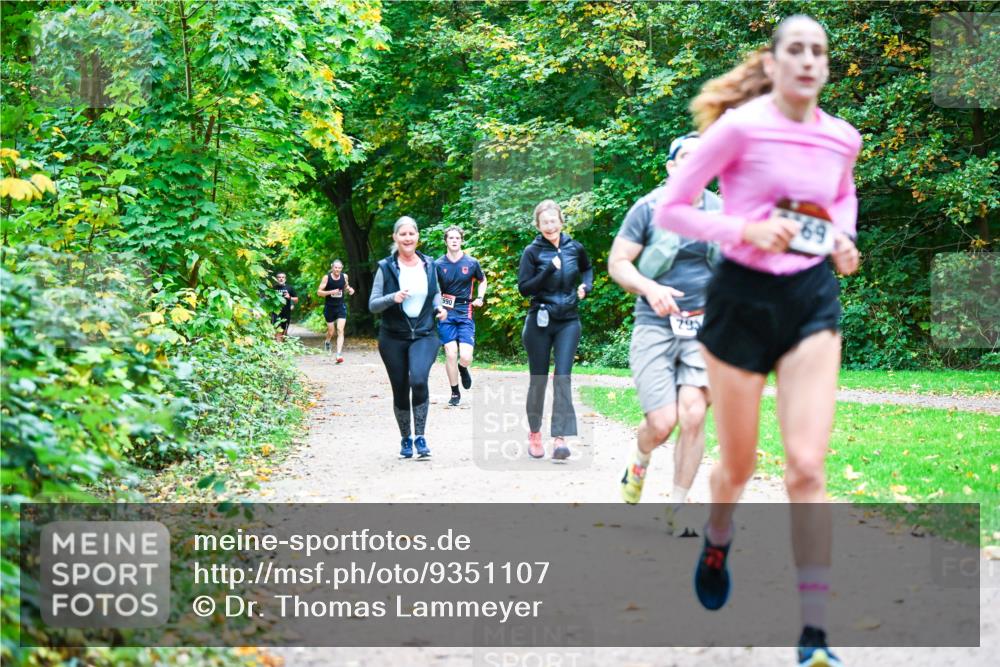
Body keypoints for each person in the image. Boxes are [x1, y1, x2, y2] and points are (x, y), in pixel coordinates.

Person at [653, 15, 861, 667]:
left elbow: (842, 195)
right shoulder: (739, 128)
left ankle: (815, 632)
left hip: (808, 302)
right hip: (740, 300)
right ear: (772, 64)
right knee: (738, 466)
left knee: (806, 465)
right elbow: (673, 208)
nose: (807, 60)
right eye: (794, 50)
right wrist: (741, 228)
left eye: (818, 51)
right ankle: (719, 534)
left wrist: (842, 238)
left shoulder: (842, 138)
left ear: (827, 66)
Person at [609, 132, 721, 535]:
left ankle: (679, 506)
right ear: (672, 167)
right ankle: (640, 458)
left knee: (693, 414)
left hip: (704, 327)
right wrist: (650, 288)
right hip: (655, 323)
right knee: (662, 422)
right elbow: (618, 263)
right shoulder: (648, 209)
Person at [517, 200, 593, 461]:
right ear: (538, 226)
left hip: (568, 321)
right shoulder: (532, 252)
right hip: (539, 320)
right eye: (545, 222)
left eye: (553, 221)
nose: (550, 226)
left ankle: (560, 439)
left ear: (561, 221)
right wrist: (549, 269)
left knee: (563, 377)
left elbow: (587, 269)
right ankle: (535, 433)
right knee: (538, 380)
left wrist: (586, 286)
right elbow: (525, 288)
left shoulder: (575, 247)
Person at [369, 216, 448, 459]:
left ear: (417, 237)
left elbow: (435, 294)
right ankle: (406, 439)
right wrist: (393, 297)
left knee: (419, 380)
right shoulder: (385, 267)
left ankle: (421, 437)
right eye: (402, 234)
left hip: (425, 334)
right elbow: (373, 305)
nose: (407, 238)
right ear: (395, 238)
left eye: (411, 234)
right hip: (393, 337)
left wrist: (440, 308)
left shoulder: (429, 264)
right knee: (401, 388)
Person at [435, 226, 487, 406]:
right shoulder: (438, 264)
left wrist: (480, 297)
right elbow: (434, 288)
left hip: (465, 311)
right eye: (451, 238)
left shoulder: (471, 262)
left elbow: (483, 280)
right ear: (446, 241)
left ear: (462, 240)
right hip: (446, 312)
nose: (454, 240)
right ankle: (455, 392)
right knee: (451, 352)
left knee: (465, 356)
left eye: (457, 238)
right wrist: (436, 307)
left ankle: (463, 368)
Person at [316, 259, 355, 362]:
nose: (337, 269)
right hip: (329, 308)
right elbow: (319, 292)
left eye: (339, 268)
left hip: (340, 307)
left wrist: (350, 289)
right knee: (331, 331)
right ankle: (327, 342)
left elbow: (346, 286)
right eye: (335, 267)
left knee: (340, 330)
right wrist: (331, 292)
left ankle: (338, 354)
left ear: (341, 268)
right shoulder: (327, 278)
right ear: (332, 267)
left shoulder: (344, 276)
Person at [271, 272, 298, 342]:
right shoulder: (273, 288)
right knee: (277, 327)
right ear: (276, 279)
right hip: (276, 311)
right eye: (279, 277)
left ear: (285, 279)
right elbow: (269, 299)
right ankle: (278, 344)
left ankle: (282, 343)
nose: (281, 279)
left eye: (283, 277)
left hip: (286, 311)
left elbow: (296, 300)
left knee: (284, 329)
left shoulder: (290, 288)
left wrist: (289, 297)